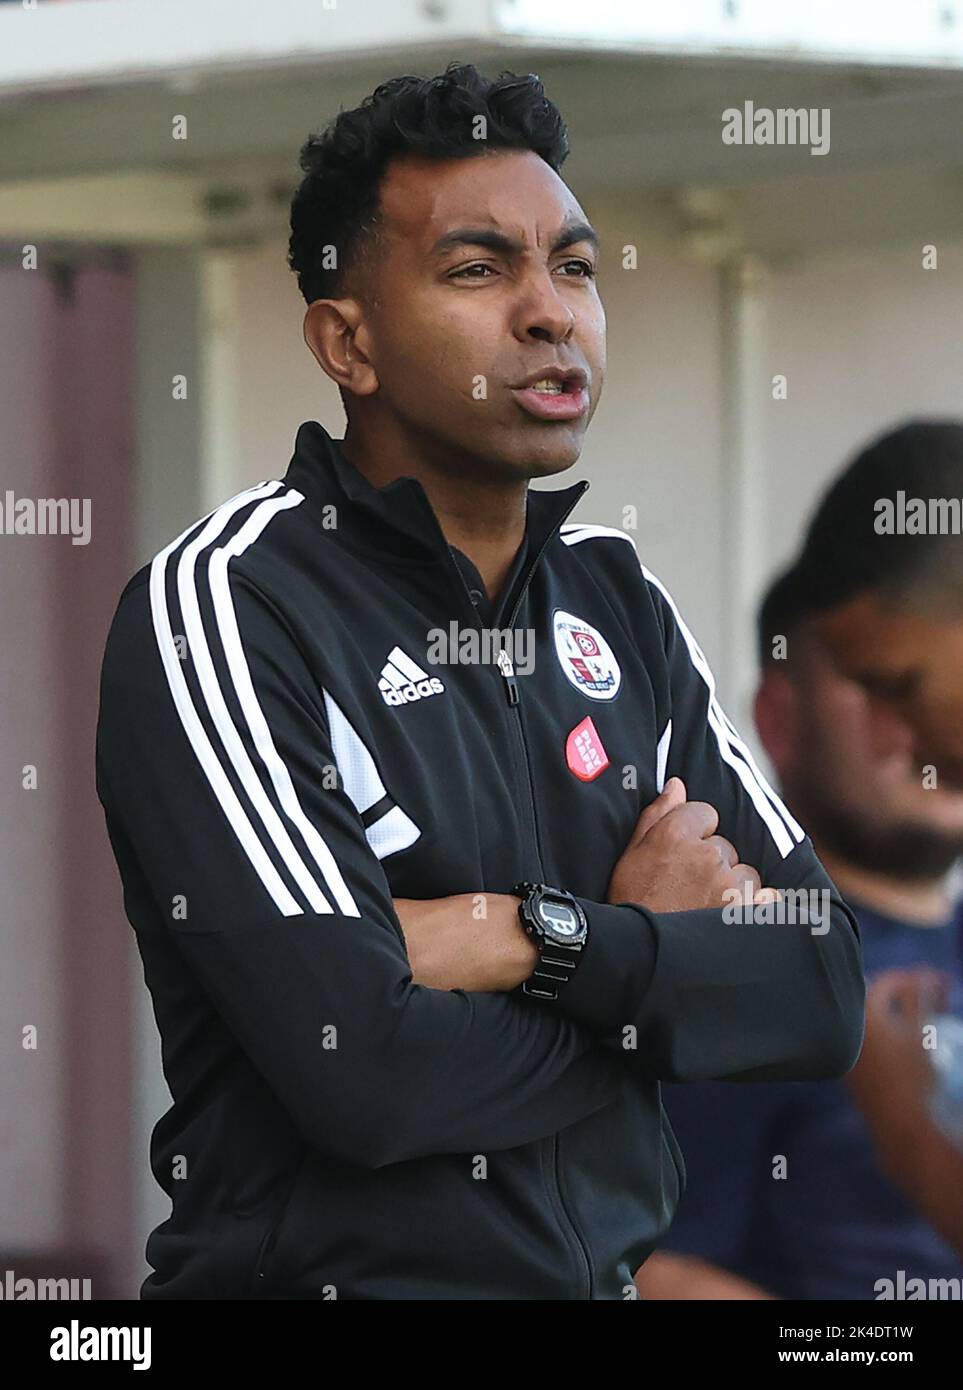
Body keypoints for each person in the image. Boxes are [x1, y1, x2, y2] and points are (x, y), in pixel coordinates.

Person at [95, 62, 863, 1301]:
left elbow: (822, 989)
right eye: (477, 268)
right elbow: (364, 1068)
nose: (552, 312)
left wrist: (529, 937)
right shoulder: (227, 607)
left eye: (573, 265)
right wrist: (654, 966)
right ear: (347, 341)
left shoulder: (621, 601)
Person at [636, 423, 963, 1300]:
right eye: (882, 686)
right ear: (777, 718)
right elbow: (634, 1266)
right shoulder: (738, 962)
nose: (916, 728)